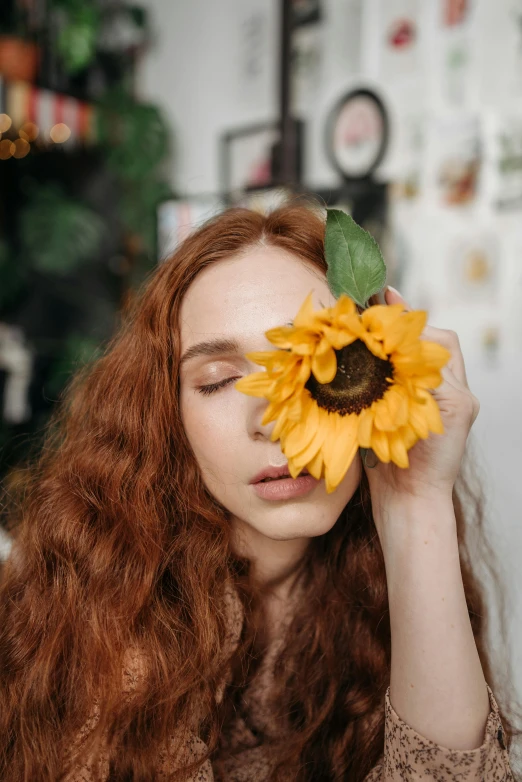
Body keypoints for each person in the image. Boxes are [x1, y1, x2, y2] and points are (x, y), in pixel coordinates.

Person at [0, 202, 518, 781]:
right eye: (217, 381)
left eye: (315, 368)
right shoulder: (104, 604)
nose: (271, 421)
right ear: (165, 415)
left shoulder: (374, 588)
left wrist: (415, 505)